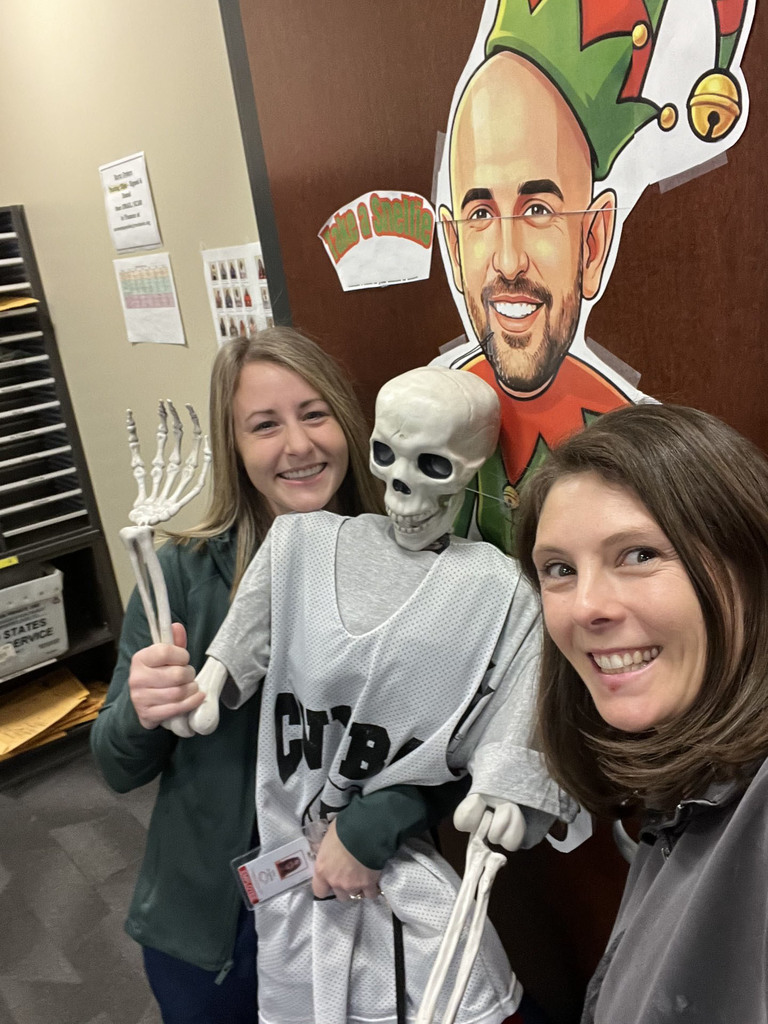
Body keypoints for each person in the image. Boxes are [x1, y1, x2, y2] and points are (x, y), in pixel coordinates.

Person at [91, 328, 462, 1024]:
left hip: (355, 899)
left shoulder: (419, 575)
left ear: (348, 425)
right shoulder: (181, 578)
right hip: (212, 927)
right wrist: (139, 710)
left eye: (314, 413)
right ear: (236, 448)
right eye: (265, 425)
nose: (297, 445)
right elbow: (115, 768)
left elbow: (453, 745)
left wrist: (378, 823)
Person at [181, 365, 571, 1024]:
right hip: (281, 861)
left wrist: (508, 787)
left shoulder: (498, 591)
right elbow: (245, 631)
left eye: (432, 466)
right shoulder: (296, 545)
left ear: (471, 468)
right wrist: (215, 674)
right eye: (387, 456)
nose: (405, 485)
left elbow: (518, 709)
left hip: (395, 870)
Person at [433, 0, 752, 551]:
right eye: (480, 215)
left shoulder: (631, 440)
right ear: (454, 245)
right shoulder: (434, 419)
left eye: (539, 210)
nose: (508, 261)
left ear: (594, 241)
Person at [516, 402, 768, 1024]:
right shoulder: (693, 796)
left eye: (638, 555)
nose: (585, 607)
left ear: (751, 563)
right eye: (560, 570)